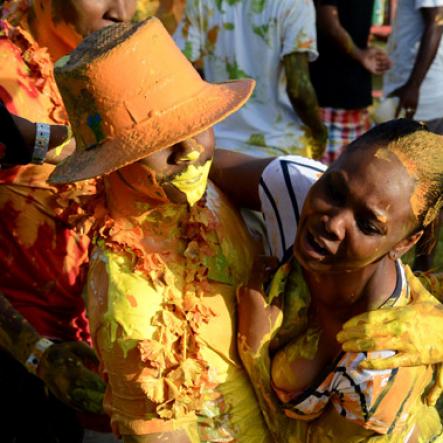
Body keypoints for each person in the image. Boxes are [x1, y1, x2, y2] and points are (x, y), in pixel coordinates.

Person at [49, 18, 271, 443]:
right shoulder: (127, 291)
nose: (190, 152)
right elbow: (156, 434)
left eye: (197, 124)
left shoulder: (204, 198)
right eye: (158, 142)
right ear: (111, 161)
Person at [210, 120, 443, 441]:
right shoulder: (298, 188)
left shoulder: (384, 358)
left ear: (405, 243)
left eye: (367, 223)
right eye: (334, 189)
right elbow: (189, 163)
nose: (333, 223)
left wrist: (254, 354)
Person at [0, 1, 136, 442]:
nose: (122, 9)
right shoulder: (5, 73)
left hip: (109, 357)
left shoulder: (123, 61)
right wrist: (34, 352)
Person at [173, 0, 327, 159]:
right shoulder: (296, 4)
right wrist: (320, 132)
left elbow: (178, 69)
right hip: (281, 146)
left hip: (221, 147)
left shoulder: (201, 3)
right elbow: (298, 88)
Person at [383, 0, 443, 271]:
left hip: (424, 101)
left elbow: (437, 21)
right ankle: (422, 266)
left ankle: (422, 267)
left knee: (423, 189)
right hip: (424, 96)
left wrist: (413, 86)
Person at [310, 0, 391, 163]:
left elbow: (351, 24)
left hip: (352, 92)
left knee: (352, 170)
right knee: (327, 175)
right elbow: (327, 20)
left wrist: (367, 53)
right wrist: (360, 54)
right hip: (331, 92)